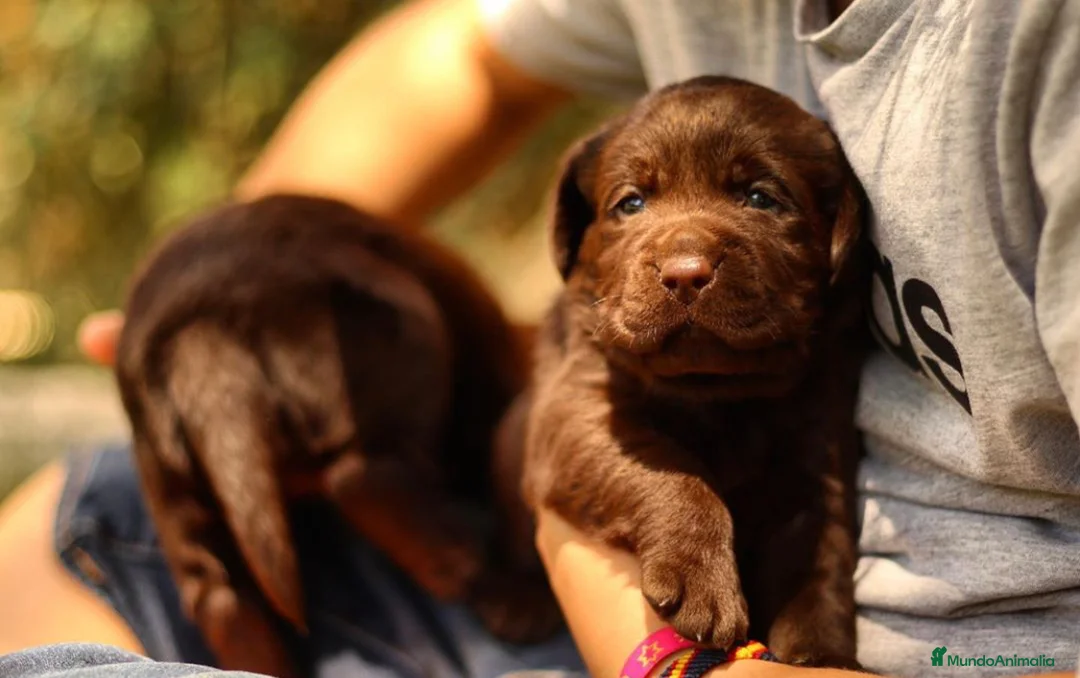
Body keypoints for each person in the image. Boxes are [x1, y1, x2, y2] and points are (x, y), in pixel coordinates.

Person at [0, 0, 1077, 676]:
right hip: (598, 593)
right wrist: (244, 276)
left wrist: (671, 662)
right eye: (631, 208)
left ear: (842, 236)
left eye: (758, 198)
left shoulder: (1038, 47)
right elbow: (460, 55)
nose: (687, 255)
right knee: (82, 514)